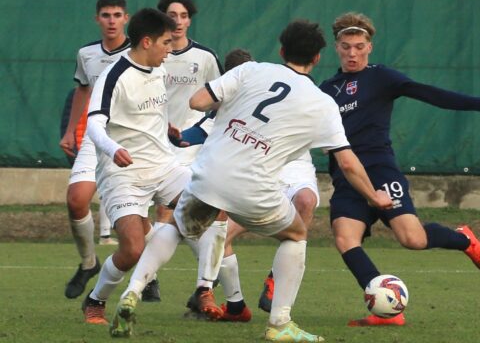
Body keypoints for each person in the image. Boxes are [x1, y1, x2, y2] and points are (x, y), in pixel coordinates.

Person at [111, 20, 393, 342]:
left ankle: (132, 291)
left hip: (209, 175)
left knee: (175, 226)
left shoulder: (250, 71)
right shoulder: (322, 103)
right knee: (297, 234)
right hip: (254, 189)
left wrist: (231, 107)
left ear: (282, 50)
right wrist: (373, 196)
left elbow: (197, 102)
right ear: (316, 58)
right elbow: (346, 161)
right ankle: (280, 324)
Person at [319, 12, 480, 327]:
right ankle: (388, 309)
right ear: (337, 47)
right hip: (348, 177)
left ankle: (463, 239)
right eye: (346, 47)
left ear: (370, 47)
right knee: (344, 238)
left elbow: (429, 93)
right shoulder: (326, 88)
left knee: (413, 239)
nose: (353, 53)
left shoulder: (382, 77)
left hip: (380, 171)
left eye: (359, 47)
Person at [182, 49, 321, 322]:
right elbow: (198, 130)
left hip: (291, 167)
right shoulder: (230, 106)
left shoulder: (298, 89)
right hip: (256, 175)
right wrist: (173, 138)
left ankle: (274, 283)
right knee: (218, 233)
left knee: (305, 202)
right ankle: (231, 303)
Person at [80, 8, 191, 326]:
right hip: (123, 173)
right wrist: (113, 149)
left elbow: (148, 112)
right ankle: (95, 301)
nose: (170, 48)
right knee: (131, 248)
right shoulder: (113, 76)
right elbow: (95, 125)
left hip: (164, 166)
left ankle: (207, 291)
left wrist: (167, 127)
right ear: (146, 41)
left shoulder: (158, 69)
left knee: (212, 208)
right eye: (166, 42)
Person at [137, 0, 227, 306]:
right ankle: (177, 276)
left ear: (190, 20)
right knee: (144, 212)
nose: (178, 21)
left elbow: (220, 98)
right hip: (153, 141)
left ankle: (193, 284)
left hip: (189, 144)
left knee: (177, 208)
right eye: (172, 15)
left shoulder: (204, 57)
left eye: (184, 15)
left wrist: (201, 130)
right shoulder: (150, 56)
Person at [60, 0, 130, 300]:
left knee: (136, 211)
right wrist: (68, 132)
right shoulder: (87, 53)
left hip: (131, 137)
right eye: (106, 15)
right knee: (77, 200)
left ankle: (148, 274)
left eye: (117, 15)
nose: (111, 20)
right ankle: (89, 262)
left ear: (126, 18)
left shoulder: (139, 50)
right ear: (97, 19)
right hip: (94, 135)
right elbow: (82, 90)